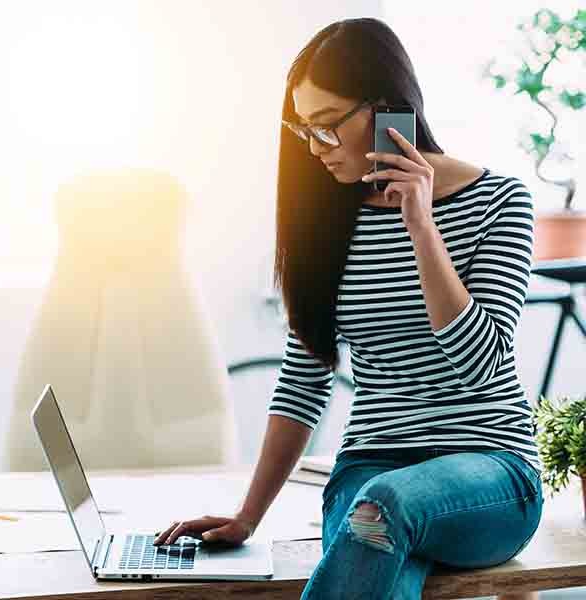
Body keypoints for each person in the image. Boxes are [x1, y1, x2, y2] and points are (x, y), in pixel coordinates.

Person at [152, 17, 543, 600]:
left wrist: (420, 223)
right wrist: (247, 516)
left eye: (328, 127)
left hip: (489, 474)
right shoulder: (326, 220)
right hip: (368, 474)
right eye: (303, 129)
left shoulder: (501, 200)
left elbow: (479, 363)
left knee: (385, 505)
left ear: (387, 111)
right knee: (383, 548)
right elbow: (303, 380)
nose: (315, 149)